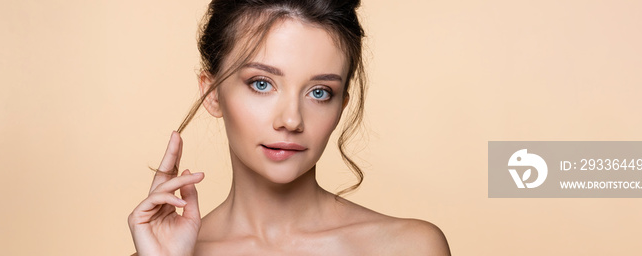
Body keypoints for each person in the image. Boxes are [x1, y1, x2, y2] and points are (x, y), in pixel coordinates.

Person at [128, 0, 451, 255]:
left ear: (341, 106)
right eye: (262, 84)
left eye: (319, 92)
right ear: (212, 94)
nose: (292, 120)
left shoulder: (411, 248)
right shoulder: (161, 252)